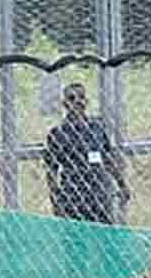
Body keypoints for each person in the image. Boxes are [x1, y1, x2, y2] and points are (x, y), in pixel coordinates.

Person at [42, 81, 128, 225]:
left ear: (86, 101)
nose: (77, 102)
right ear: (64, 104)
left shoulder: (97, 128)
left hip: (99, 196)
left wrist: (122, 185)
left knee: (104, 238)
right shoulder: (58, 134)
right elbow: (52, 170)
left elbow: (108, 159)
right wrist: (56, 200)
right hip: (73, 198)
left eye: (81, 97)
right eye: (72, 98)